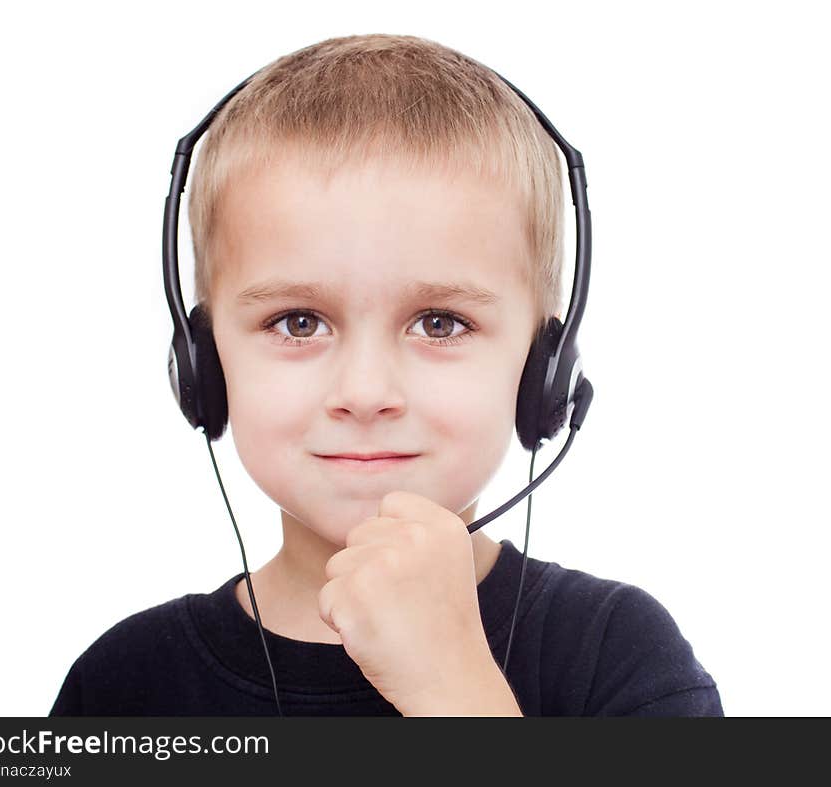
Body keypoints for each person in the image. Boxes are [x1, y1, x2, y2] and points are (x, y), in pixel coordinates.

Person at [49, 33, 723, 716]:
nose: (366, 393)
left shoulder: (620, 657)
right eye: (298, 322)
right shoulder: (122, 687)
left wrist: (452, 686)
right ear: (204, 363)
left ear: (543, 367)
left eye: (439, 322)